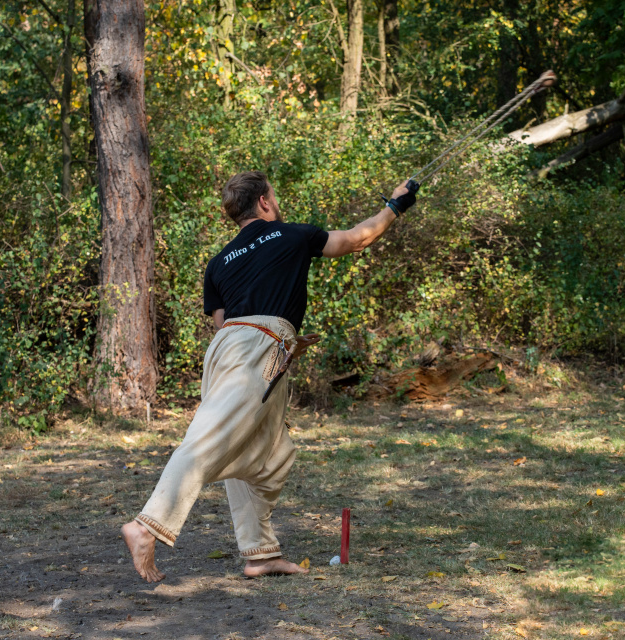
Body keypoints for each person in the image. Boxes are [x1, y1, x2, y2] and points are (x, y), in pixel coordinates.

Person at [121, 170, 418, 581]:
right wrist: (395, 204)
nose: (277, 204)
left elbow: (222, 325)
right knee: (209, 439)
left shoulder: (219, 262)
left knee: (269, 456)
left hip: (230, 349)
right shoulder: (290, 234)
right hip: (257, 348)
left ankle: (259, 553)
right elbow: (358, 238)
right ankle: (147, 524)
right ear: (263, 202)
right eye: (274, 198)